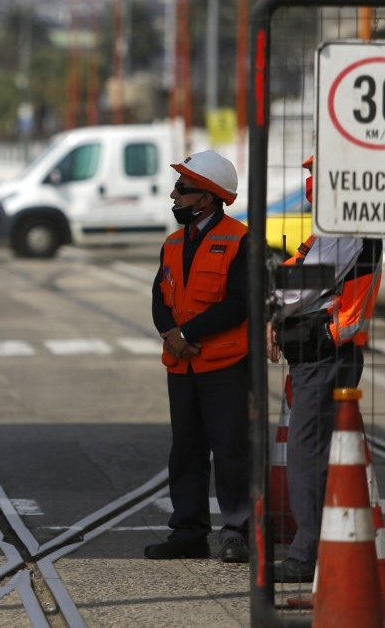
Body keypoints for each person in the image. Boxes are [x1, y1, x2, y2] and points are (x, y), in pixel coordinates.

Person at [268, 155, 382, 583]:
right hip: (322, 350)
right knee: (322, 452)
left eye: (317, 175)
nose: (310, 183)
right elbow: (303, 274)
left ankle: (307, 555)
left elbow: (307, 284)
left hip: (325, 350)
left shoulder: (344, 224)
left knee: (307, 454)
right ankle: (328, 544)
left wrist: (269, 303)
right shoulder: (339, 223)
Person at [148, 150, 251, 564]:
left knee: (230, 450)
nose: (174, 195)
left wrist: (187, 334)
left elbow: (240, 303)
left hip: (224, 364)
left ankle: (237, 532)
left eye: (182, 189)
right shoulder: (173, 243)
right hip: (182, 364)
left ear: (207, 198)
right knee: (186, 450)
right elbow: (160, 296)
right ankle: (189, 532)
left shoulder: (241, 240)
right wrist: (171, 335)